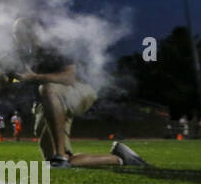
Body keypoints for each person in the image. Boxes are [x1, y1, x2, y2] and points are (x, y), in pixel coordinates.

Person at [10, 17, 148, 169]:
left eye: (18, 32)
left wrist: (35, 77)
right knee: (56, 163)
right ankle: (119, 158)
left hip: (76, 90)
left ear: (33, 32)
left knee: (46, 88)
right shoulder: (24, 54)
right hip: (46, 104)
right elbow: (8, 82)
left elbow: (69, 77)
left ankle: (60, 155)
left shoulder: (53, 46)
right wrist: (7, 74)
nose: (15, 36)